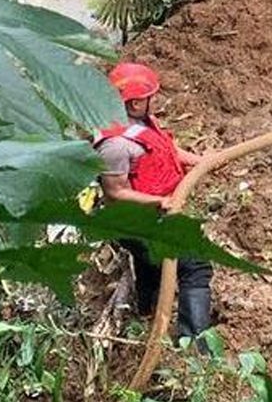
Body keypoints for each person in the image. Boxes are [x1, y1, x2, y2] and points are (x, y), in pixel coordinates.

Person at [92, 61, 216, 339]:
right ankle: (196, 343)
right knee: (195, 267)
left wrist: (204, 162)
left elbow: (166, 149)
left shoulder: (140, 123)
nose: (154, 101)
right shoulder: (114, 146)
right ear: (135, 103)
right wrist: (158, 202)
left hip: (154, 214)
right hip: (136, 222)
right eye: (150, 97)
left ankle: (146, 308)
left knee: (150, 263)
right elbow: (115, 192)